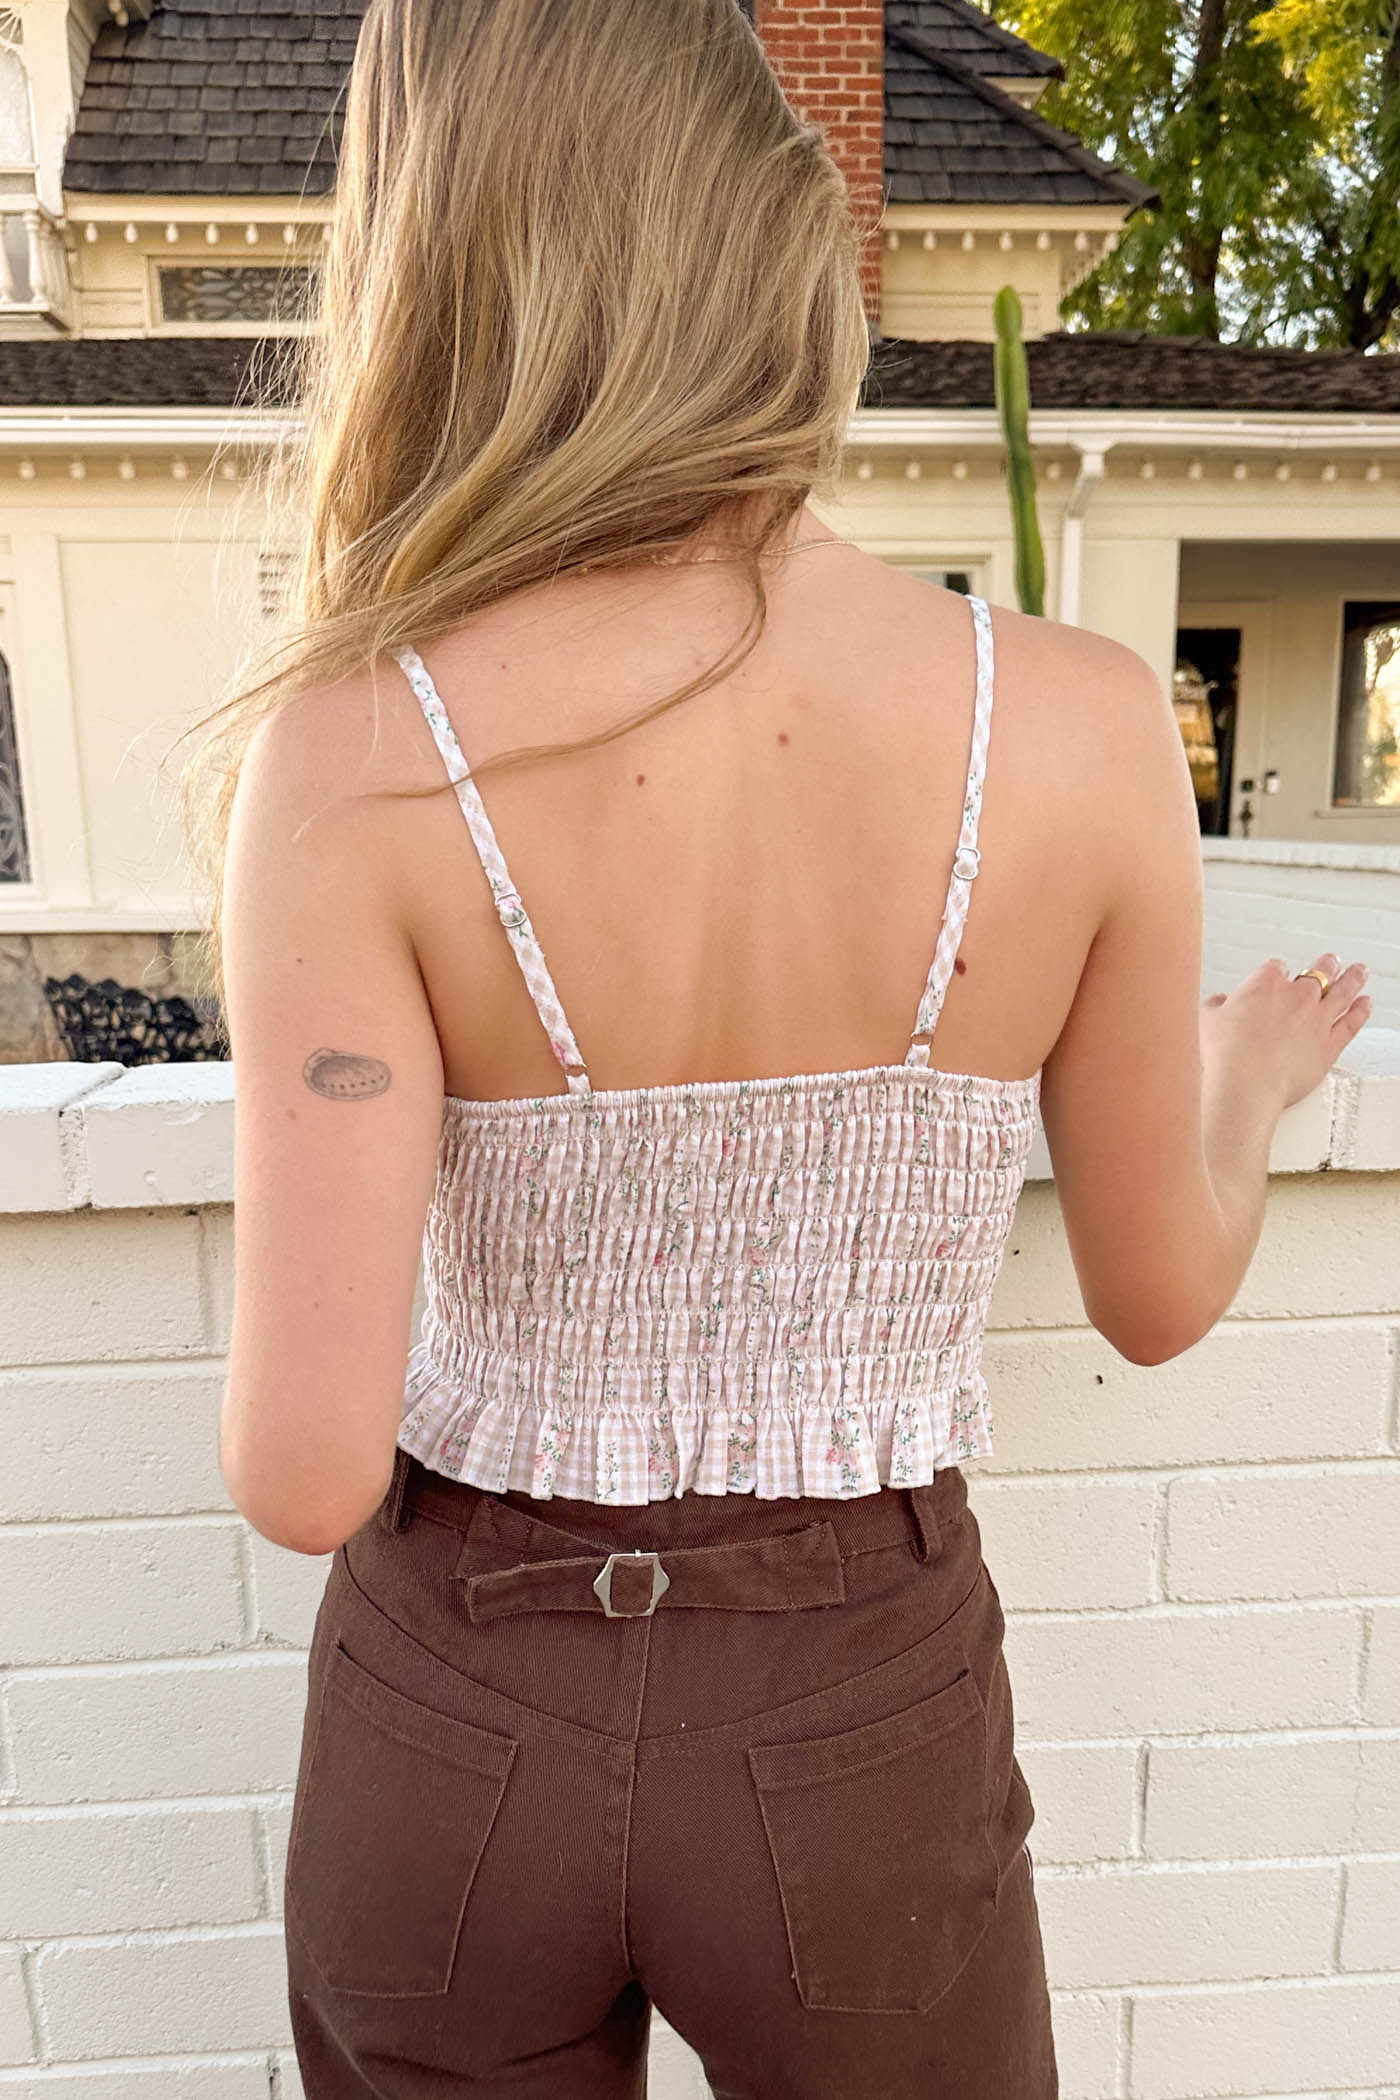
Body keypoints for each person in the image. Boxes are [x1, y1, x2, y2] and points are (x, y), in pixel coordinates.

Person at [185, 2, 1372, 2095]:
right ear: (779, 260)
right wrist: (1247, 1085)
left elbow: (303, 1473)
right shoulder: (1078, 722)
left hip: (458, 1737)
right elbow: (1155, 1293)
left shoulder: (356, 755)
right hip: (861, 1728)